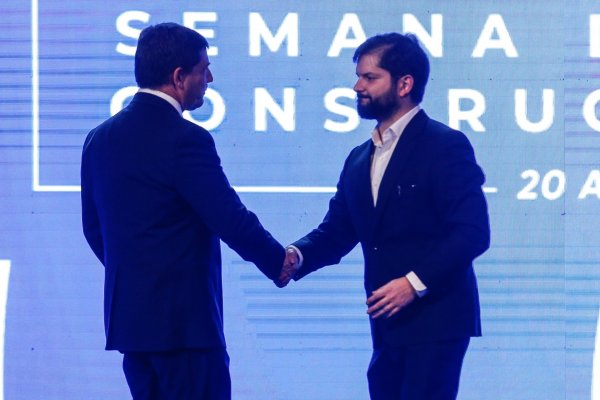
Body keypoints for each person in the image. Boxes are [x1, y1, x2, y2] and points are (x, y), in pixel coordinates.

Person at [81, 22, 293, 399]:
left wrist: (139, 276)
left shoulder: (99, 138)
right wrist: (278, 261)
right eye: (203, 68)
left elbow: (94, 231)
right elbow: (228, 216)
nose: (209, 77)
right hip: (184, 331)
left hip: (133, 330)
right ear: (179, 77)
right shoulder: (185, 139)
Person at [283, 33, 491, 399]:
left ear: (404, 83)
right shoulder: (359, 157)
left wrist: (413, 283)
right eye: (358, 76)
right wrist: (295, 257)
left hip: (436, 322)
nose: (357, 86)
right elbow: (338, 230)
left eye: (369, 77)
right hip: (386, 325)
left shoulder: (444, 145)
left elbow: (472, 233)